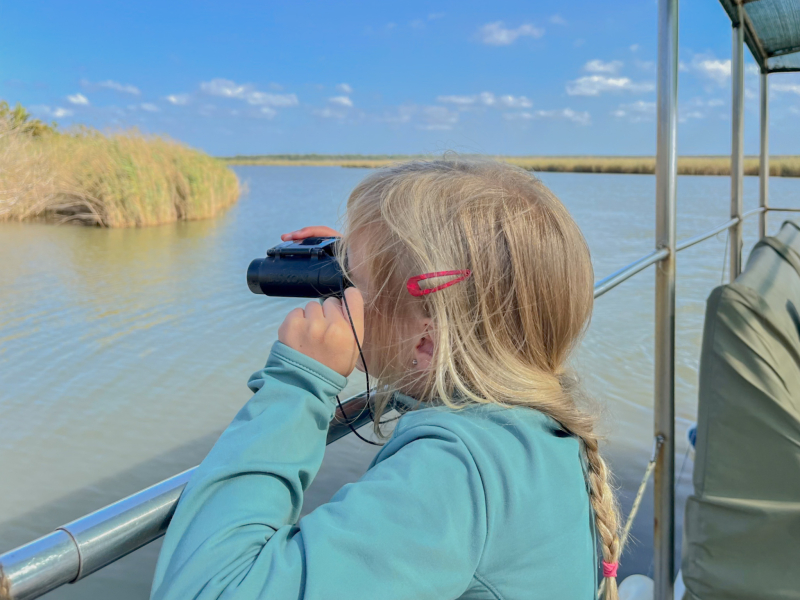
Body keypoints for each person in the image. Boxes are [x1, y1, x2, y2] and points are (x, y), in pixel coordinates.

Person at [150, 158, 622, 600]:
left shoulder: (451, 474)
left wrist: (298, 384)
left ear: (427, 342)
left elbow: (205, 588)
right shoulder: (524, 428)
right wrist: (377, 267)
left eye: (348, 278)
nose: (340, 291)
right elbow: (438, 354)